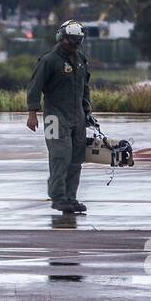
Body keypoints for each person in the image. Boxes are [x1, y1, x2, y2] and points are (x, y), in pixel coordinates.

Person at [25, 19, 97, 213]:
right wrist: (32, 113)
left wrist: (87, 108)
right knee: (60, 156)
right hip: (55, 117)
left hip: (78, 117)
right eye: (70, 40)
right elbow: (34, 87)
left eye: (76, 40)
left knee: (76, 158)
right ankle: (58, 197)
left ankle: (70, 198)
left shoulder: (80, 59)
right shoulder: (49, 60)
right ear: (61, 37)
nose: (72, 44)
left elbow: (85, 86)